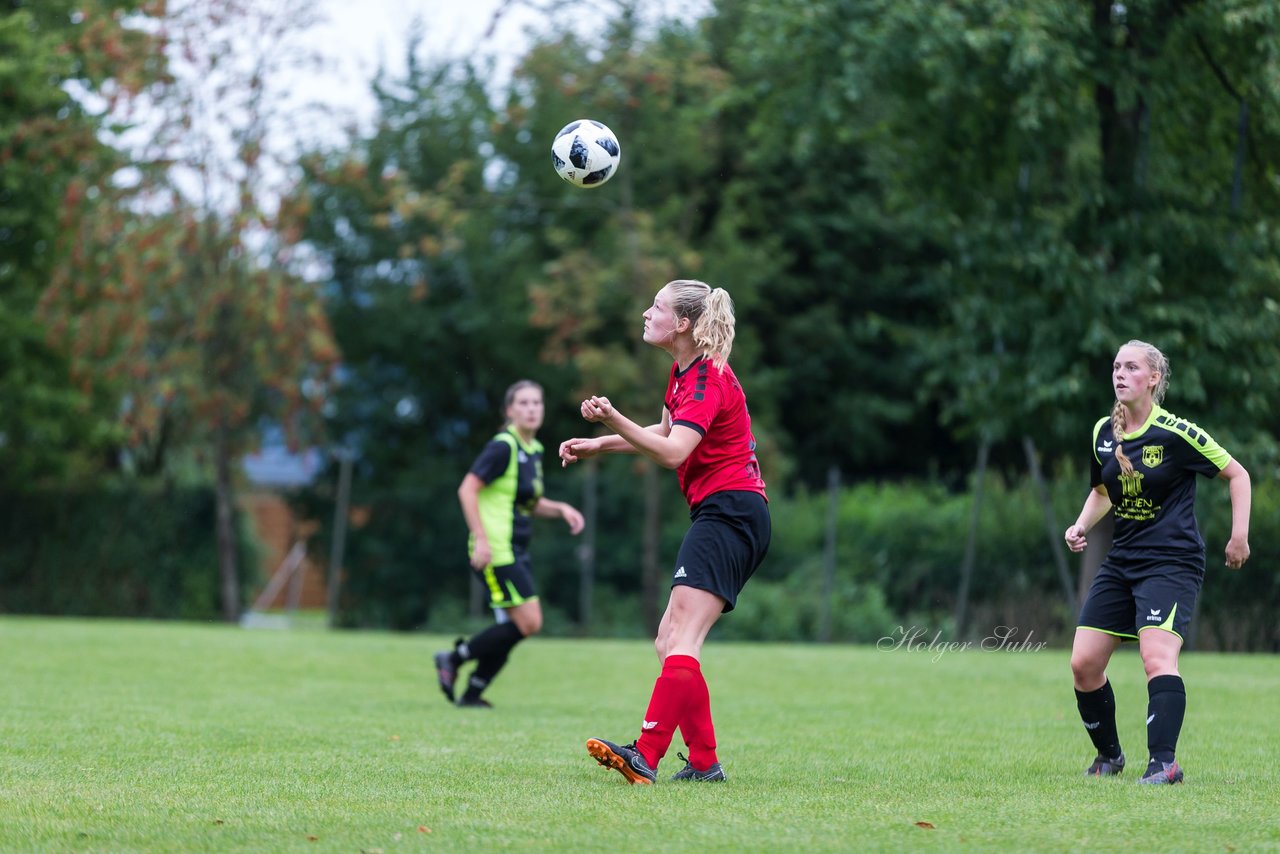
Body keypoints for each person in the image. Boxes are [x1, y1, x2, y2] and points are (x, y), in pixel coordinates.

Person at [559, 279, 770, 784]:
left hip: (731, 513)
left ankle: (647, 753)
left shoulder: (706, 380)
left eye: (656, 306)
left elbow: (675, 452)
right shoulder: (684, 371)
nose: (646, 313)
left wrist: (612, 415)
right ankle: (702, 763)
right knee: (669, 639)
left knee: (682, 636)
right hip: (724, 513)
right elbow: (665, 434)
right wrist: (599, 444)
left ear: (682, 324)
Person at [1064, 340, 1251, 784]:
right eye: (1116, 366)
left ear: (1154, 379)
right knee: (1083, 664)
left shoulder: (1176, 433)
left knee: (1157, 656)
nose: (1120, 374)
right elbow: (1102, 491)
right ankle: (1109, 758)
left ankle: (1164, 763)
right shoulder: (1102, 434)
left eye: (1131, 367)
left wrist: (1239, 535)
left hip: (1171, 561)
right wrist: (1081, 526)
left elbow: (1237, 474)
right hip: (1122, 561)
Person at [434, 380, 584, 708]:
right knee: (529, 622)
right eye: (524, 403)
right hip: (496, 550)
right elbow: (467, 490)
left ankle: (472, 692)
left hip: (517, 549)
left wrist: (560, 509)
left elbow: (529, 502)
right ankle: (454, 658)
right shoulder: (503, 446)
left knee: (515, 628)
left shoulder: (534, 450)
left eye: (537, 403)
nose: (532, 409)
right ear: (509, 411)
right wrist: (482, 540)